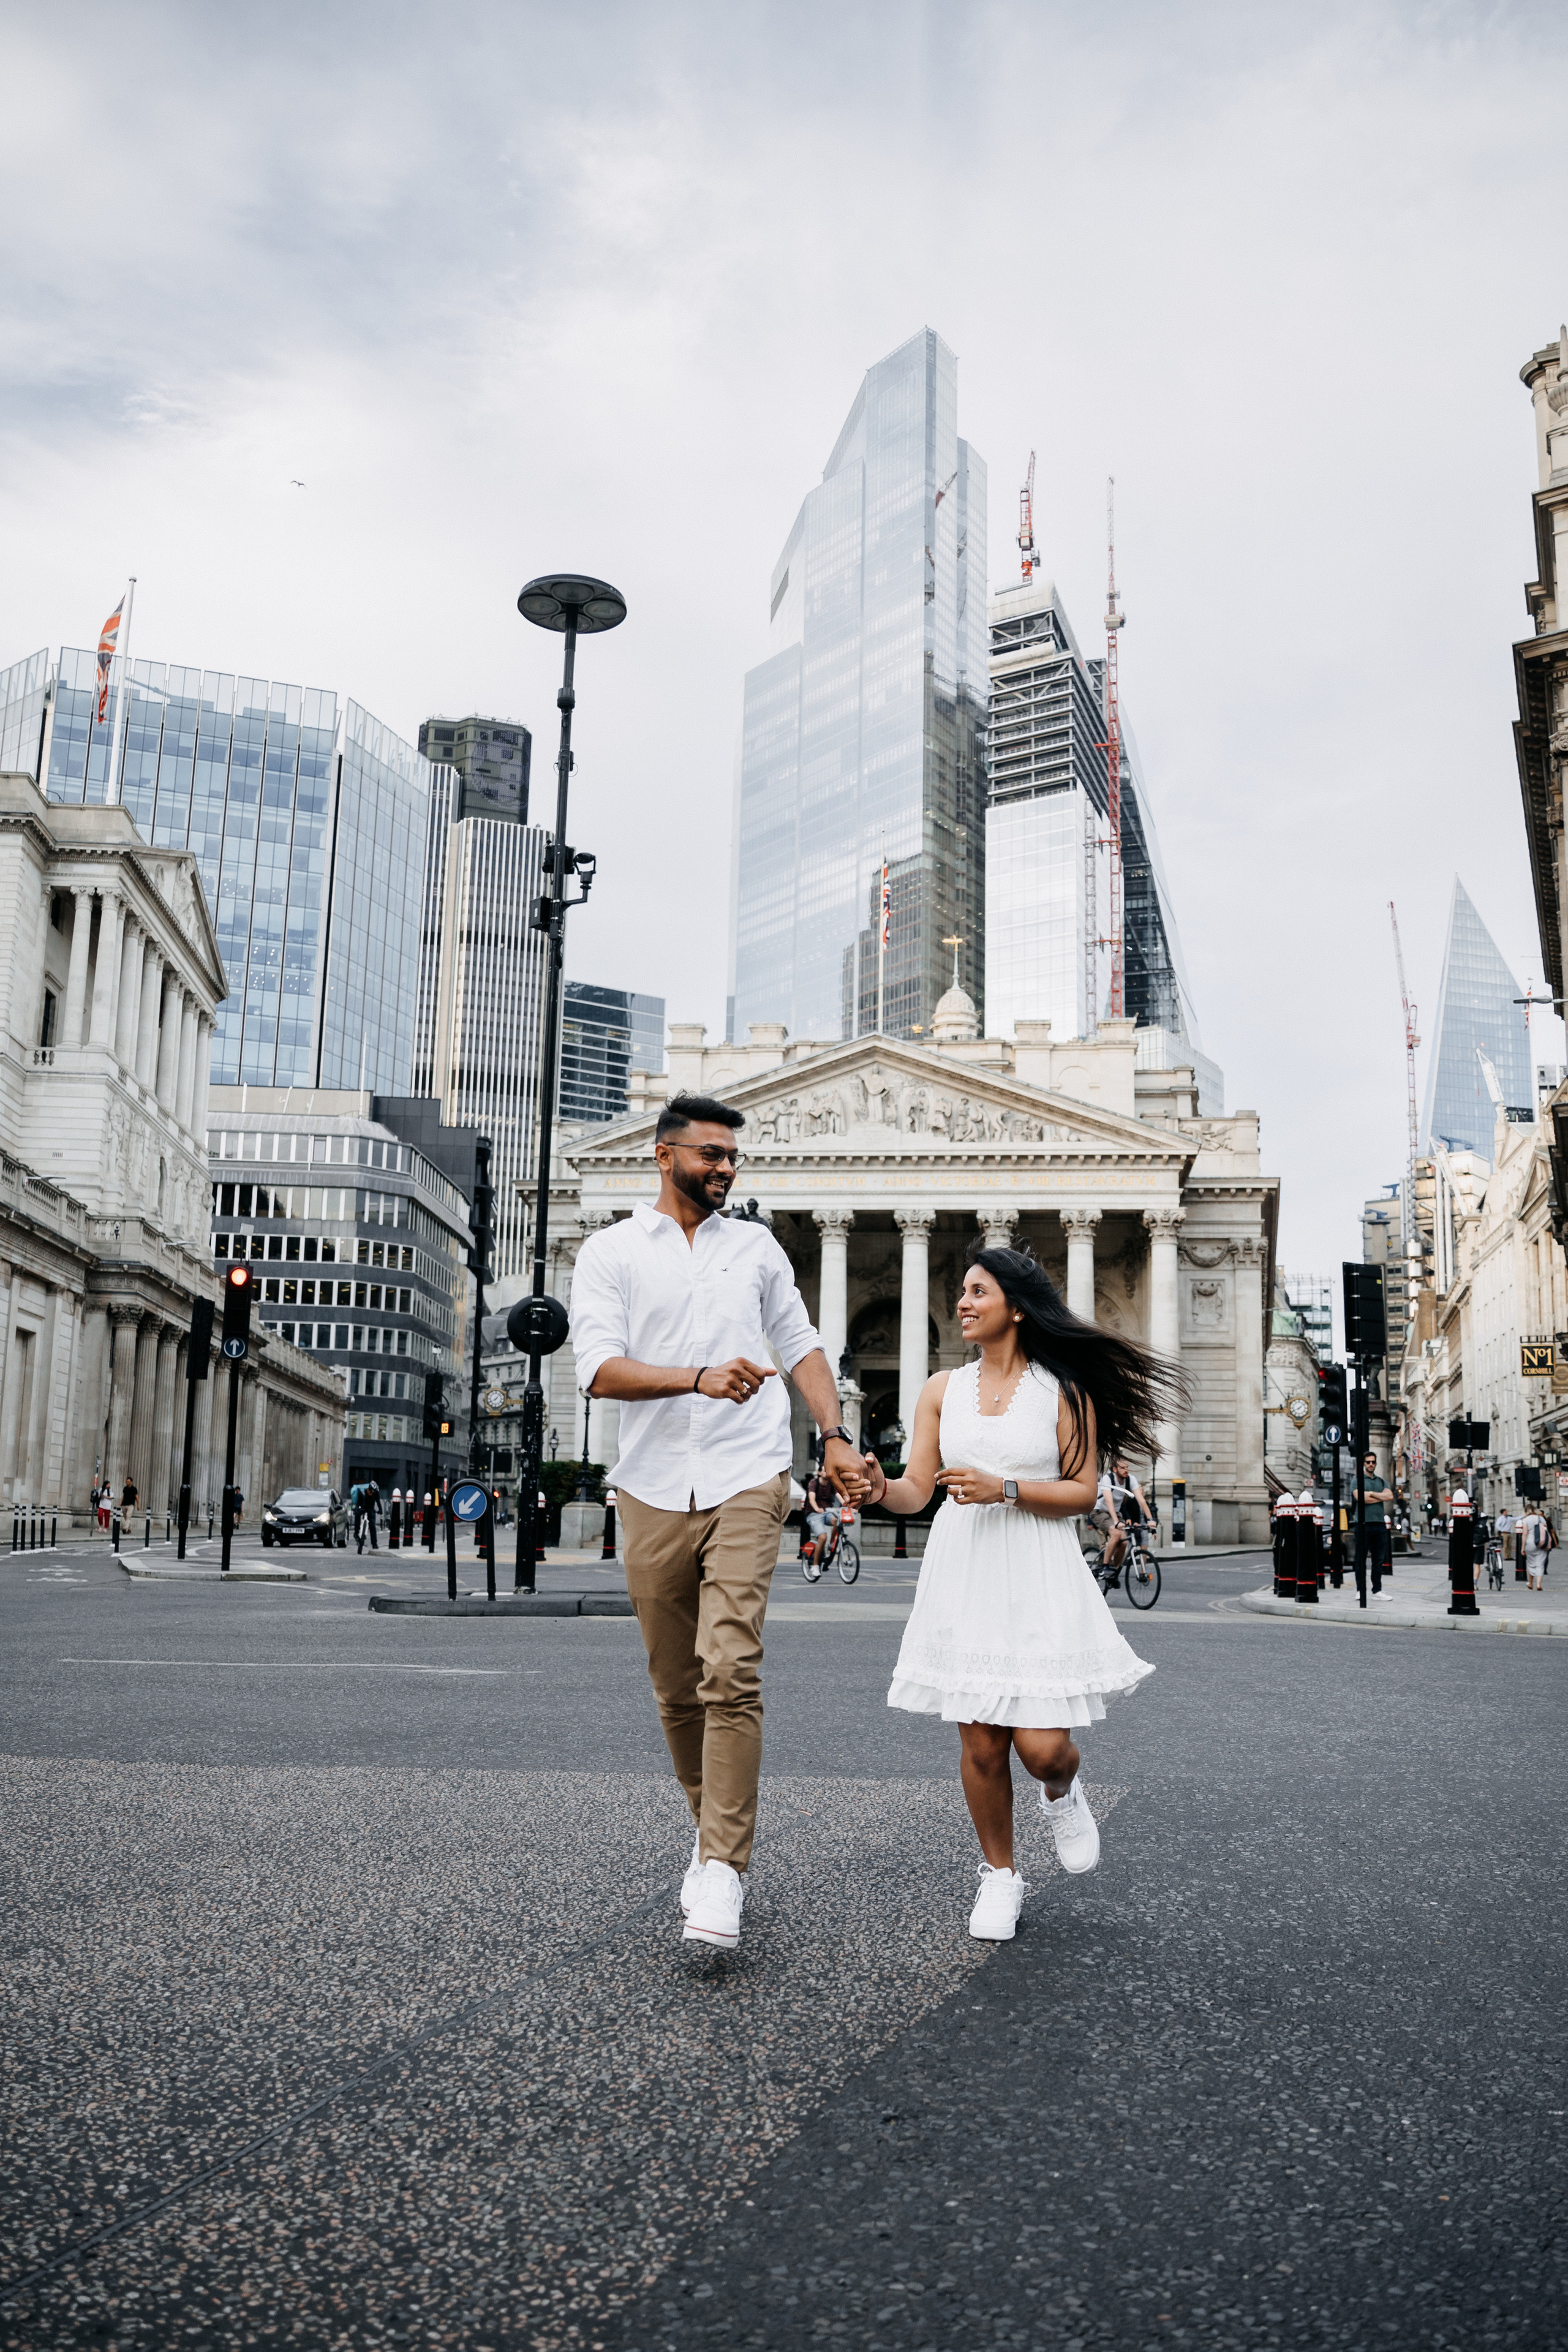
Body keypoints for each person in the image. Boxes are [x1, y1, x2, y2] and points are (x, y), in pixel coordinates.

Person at [570, 1091, 862, 1954]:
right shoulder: (612, 1252)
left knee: (729, 1666)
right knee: (676, 1684)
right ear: (664, 1157)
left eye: (733, 1157)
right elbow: (598, 1370)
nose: (726, 1169)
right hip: (654, 1485)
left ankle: (725, 1869)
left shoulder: (757, 1249)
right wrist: (697, 1378)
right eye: (710, 1156)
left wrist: (837, 1437)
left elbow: (802, 1344)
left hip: (747, 1474)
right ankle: (710, 1841)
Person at [875, 1243, 1187, 1942]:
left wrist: (1003, 1487)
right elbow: (915, 1491)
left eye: (978, 1292)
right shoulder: (939, 1390)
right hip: (965, 1569)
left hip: (1039, 1569)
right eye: (961, 1291)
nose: (962, 1302)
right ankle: (1000, 1877)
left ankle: (1061, 1791)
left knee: (1042, 1748)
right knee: (983, 1744)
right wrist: (875, 1489)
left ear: (1014, 1308)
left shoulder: (1063, 1390)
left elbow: (1080, 1493)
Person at [1355, 1455, 1394, 1593]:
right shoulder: (1358, 1479)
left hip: (1380, 1524)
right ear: (1364, 1463)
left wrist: (1371, 1494)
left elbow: (1390, 1497)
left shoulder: (1382, 1481)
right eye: (1368, 1462)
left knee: (1378, 1560)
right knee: (1361, 1560)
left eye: (1373, 1462)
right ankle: (1360, 1591)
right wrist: (1379, 1496)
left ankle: (1377, 1591)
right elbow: (1360, 1498)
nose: (1371, 1464)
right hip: (1363, 1524)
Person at [802, 1464, 841, 1562]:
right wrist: (817, 1508)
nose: (827, 1473)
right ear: (819, 1473)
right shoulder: (814, 1483)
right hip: (813, 1514)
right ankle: (815, 1566)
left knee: (837, 1521)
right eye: (824, 1471)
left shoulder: (831, 1484)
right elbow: (812, 1499)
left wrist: (849, 1506)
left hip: (827, 1512)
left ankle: (832, 1544)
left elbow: (839, 1496)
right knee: (823, 1537)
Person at [1521, 1505, 1550, 1592]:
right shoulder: (1542, 1519)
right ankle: (1539, 1585)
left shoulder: (1526, 1520)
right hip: (1541, 1543)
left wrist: (1523, 1547)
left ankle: (1530, 1583)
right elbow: (1545, 1531)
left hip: (1530, 1543)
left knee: (1530, 1563)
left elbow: (1525, 1534)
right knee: (1540, 1564)